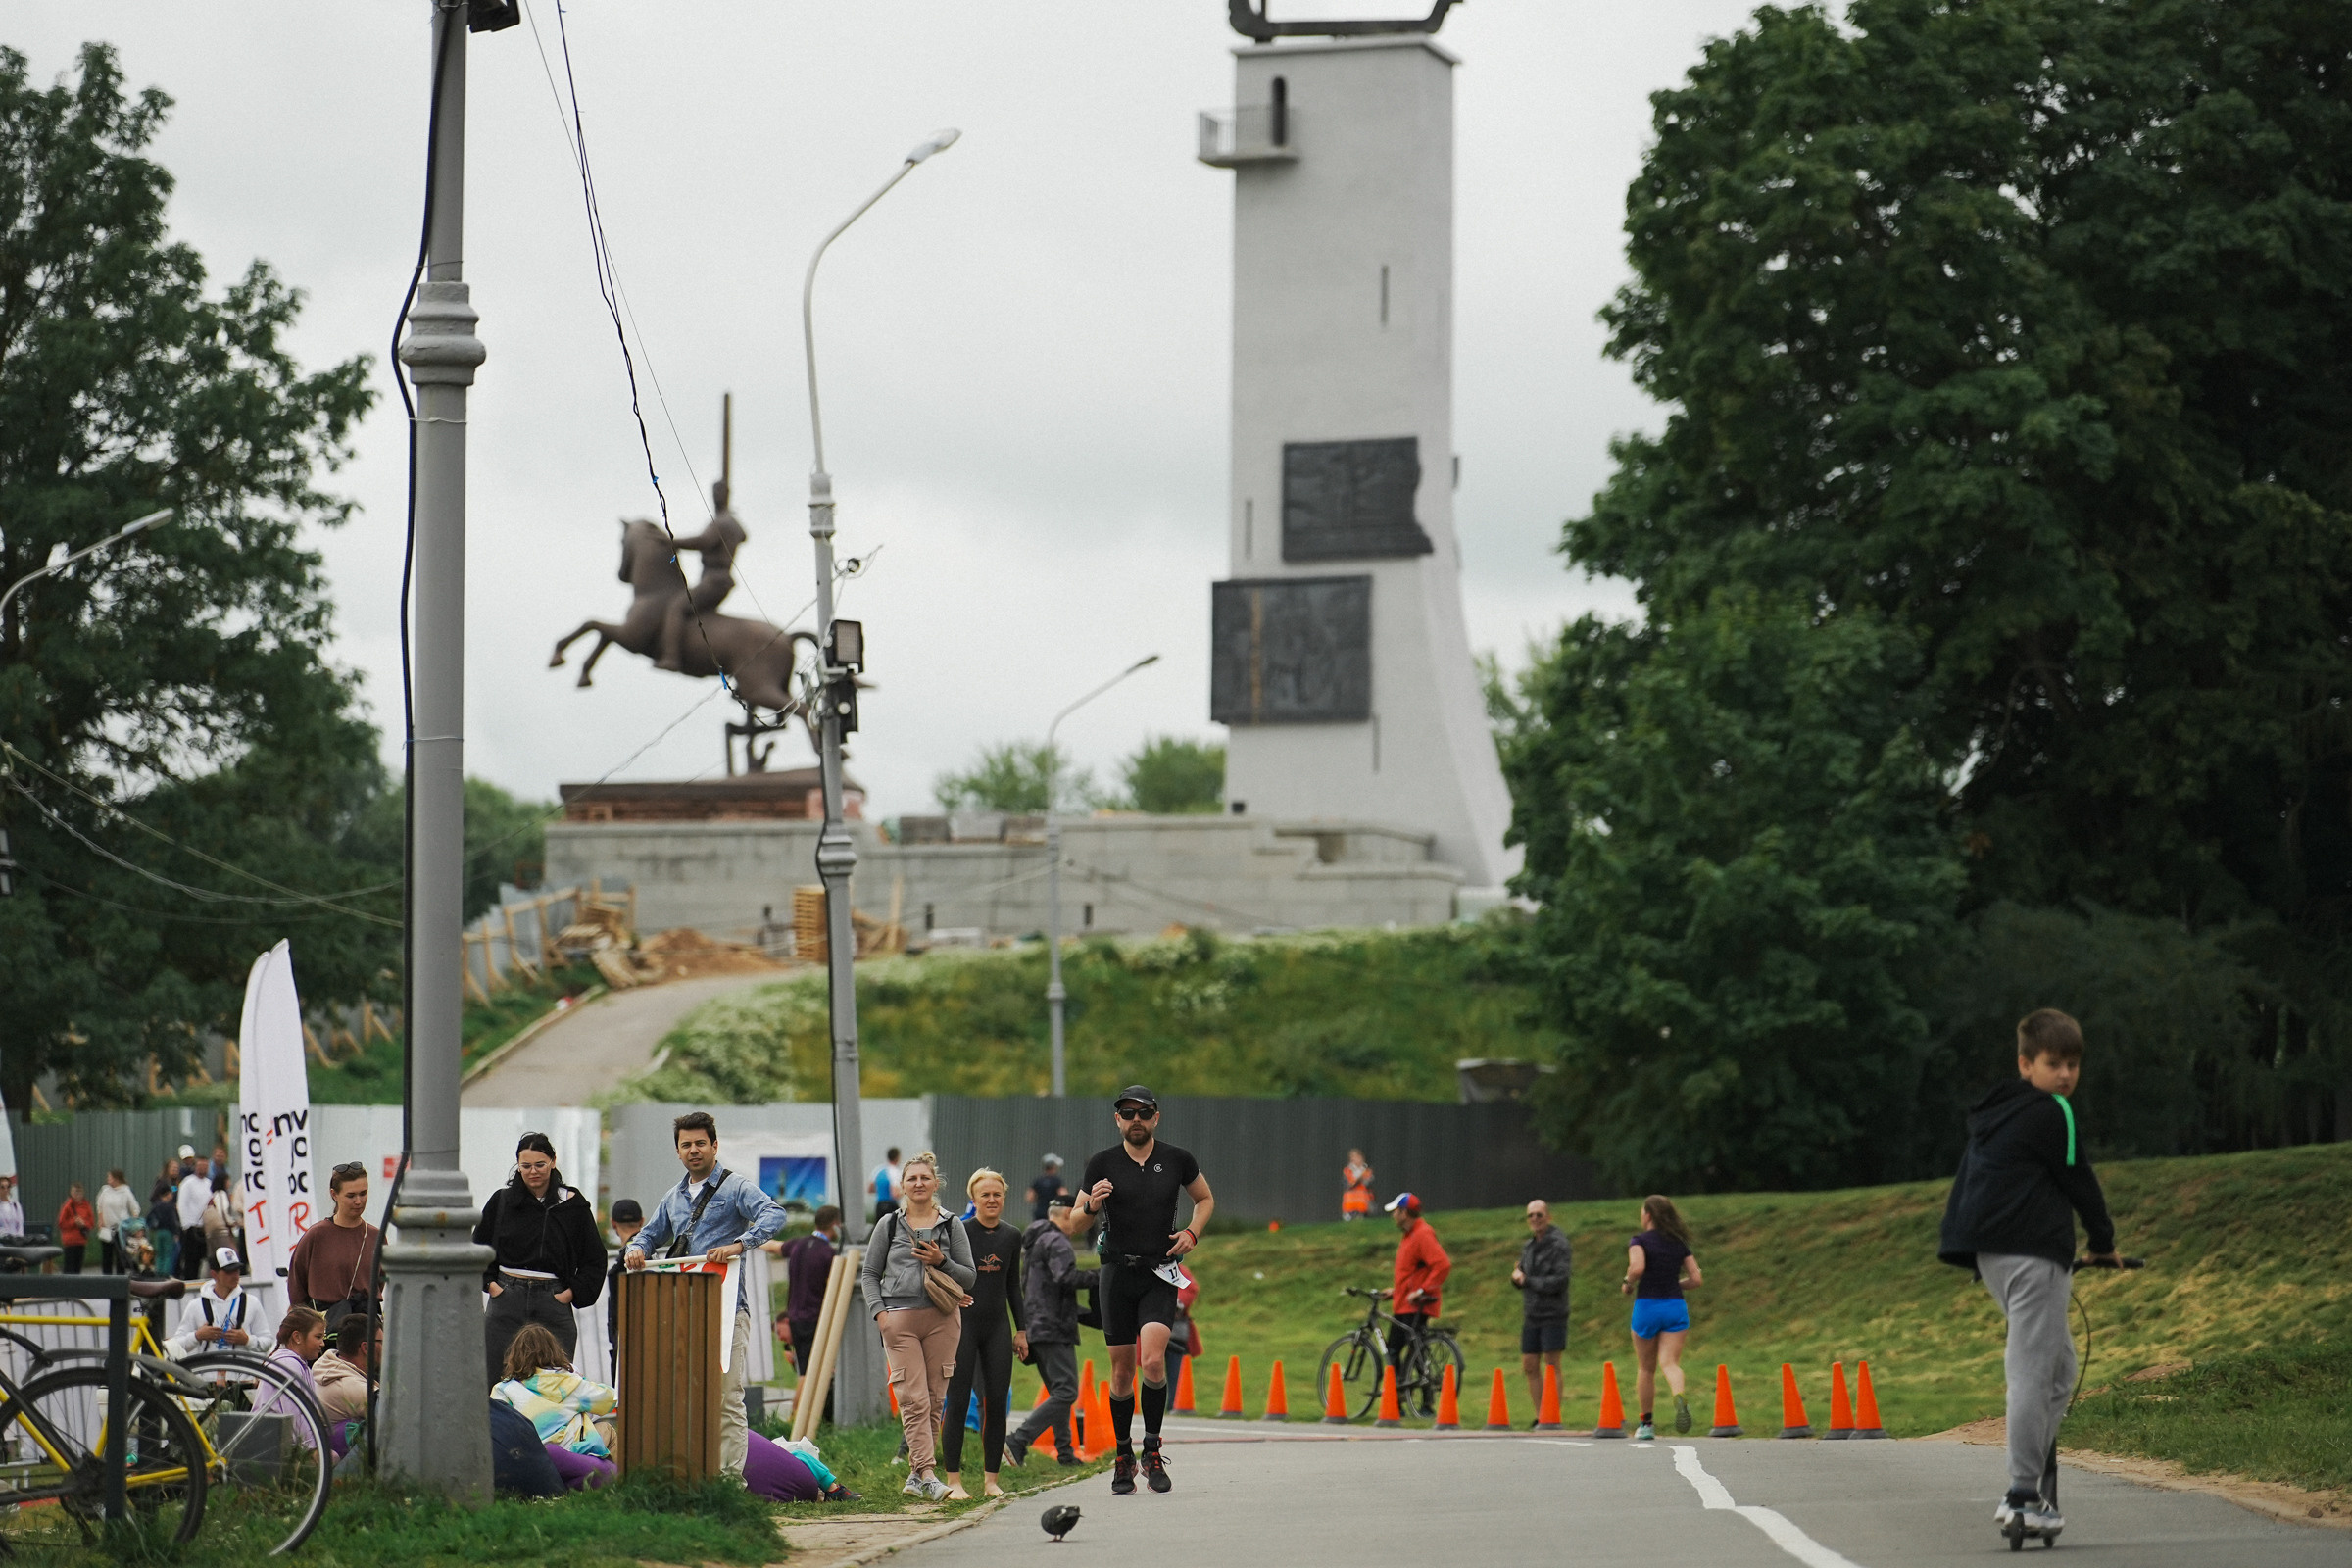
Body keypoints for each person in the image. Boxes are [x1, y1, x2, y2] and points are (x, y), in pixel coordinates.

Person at [1939, 1007, 2119, 1542]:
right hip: (2032, 1255)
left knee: (2059, 1370)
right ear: (2026, 1064)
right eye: (2052, 1063)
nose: (2064, 1075)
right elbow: (2078, 1179)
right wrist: (2103, 1242)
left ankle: (2029, 1487)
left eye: (2072, 1065)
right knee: (2032, 1373)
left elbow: (1981, 1182)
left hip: (1989, 1253)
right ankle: (2022, 1492)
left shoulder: (1998, 1114)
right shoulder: (2052, 1112)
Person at [624, 1110, 788, 1479]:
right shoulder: (672, 1196)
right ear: (677, 1152)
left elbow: (774, 1215)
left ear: (715, 1145)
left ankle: (729, 1482)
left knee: (727, 1397)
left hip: (727, 1310)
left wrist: (740, 1244)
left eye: (701, 1143)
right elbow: (649, 1235)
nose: (694, 1150)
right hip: (681, 1309)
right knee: (682, 1396)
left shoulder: (735, 1187)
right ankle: (688, 1475)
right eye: (686, 1145)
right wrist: (636, 1248)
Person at [1075, 1085, 1215, 1496]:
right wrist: (1091, 1206)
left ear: (1156, 1117)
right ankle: (1123, 1455)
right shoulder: (1102, 1163)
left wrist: (1192, 1232)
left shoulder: (1177, 1159)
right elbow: (1073, 1223)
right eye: (1128, 1113)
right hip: (1116, 1274)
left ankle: (1152, 1448)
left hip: (1159, 1272)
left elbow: (1205, 1199)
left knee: (1152, 1362)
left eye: (1144, 1112)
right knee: (1121, 1371)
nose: (1136, 1119)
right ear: (1117, 1120)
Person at [858, 1152, 975, 1502]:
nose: (919, 1184)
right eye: (912, 1179)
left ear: (935, 1184)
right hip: (899, 1320)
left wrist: (942, 1261)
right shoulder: (889, 1225)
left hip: (942, 1319)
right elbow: (869, 1274)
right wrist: (881, 1315)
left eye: (925, 1178)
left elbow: (969, 1277)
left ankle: (915, 1475)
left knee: (935, 1400)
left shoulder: (952, 1224)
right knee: (913, 1398)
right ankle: (928, 1472)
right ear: (902, 1186)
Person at [474, 1132, 607, 1385]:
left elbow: (595, 1257)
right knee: (495, 1381)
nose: (533, 1172)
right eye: (526, 1166)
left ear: (553, 1162)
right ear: (518, 1166)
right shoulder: (502, 1200)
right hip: (506, 1298)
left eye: (540, 1165)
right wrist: (491, 1284)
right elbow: (478, 1247)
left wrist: (571, 1293)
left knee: (554, 1384)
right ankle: (499, 1426)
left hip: (553, 1301)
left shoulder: (573, 1205)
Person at [943, 1169, 1026, 1500]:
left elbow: (1013, 1286)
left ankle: (991, 1480)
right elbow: (942, 1273)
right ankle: (953, 1480)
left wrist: (1022, 1329)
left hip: (997, 1328)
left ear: (1003, 1197)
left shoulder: (1011, 1235)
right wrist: (953, 1296)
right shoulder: (959, 1231)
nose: (991, 1200)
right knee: (959, 1401)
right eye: (985, 1195)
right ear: (973, 1199)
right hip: (963, 1326)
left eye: (997, 1194)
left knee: (995, 1403)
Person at [1005, 1198, 1095, 1470]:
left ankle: (1066, 1454)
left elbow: (1044, 1292)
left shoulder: (1034, 1242)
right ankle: (1018, 1440)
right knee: (1067, 1392)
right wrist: (1102, 1277)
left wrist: (1086, 1316)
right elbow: (1066, 1278)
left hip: (1037, 1326)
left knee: (1059, 1392)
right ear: (1069, 1214)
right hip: (1054, 1329)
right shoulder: (1056, 1241)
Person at [493, 1321, 618, 1492]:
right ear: (555, 1351)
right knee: (607, 1430)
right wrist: (578, 1378)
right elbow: (611, 1398)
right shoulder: (567, 1382)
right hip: (564, 1454)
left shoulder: (503, 1389)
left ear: (514, 1356)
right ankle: (621, 1483)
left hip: (526, 1461)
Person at [1622, 1195, 1702, 1441]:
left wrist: (1627, 1283)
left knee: (1646, 1368)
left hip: (1647, 1306)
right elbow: (1696, 1279)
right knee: (1670, 1363)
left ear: (1648, 1215)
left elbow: (1637, 1268)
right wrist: (1676, 1284)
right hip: (1674, 1306)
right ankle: (1679, 1396)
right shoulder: (1678, 1243)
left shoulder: (1639, 1241)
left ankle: (1646, 1425)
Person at [1381, 1193, 1450, 1411]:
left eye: (1396, 1212)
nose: (1393, 1216)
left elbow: (1442, 1265)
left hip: (1415, 1306)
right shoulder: (1410, 1235)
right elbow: (1413, 1272)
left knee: (1406, 1352)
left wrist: (1421, 1290)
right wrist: (1397, 1291)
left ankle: (1416, 1403)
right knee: (1405, 1351)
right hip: (1404, 1303)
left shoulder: (1422, 1234)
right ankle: (1404, 1400)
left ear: (1405, 1213)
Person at [287, 1162, 380, 1320]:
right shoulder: (316, 1235)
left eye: (363, 1193)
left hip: (367, 1324)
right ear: (334, 1194)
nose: (358, 1201)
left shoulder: (375, 1236)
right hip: (326, 1327)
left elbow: (380, 1281)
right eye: (350, 1195)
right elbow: (297, 1286)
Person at [1512, 1199, 1572, 1423]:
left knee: (1552, 1362)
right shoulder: (1528, 1246)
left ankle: (1552, 1414)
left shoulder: (1559, 1245)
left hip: (1553, 1311)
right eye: (1531, 1216)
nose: (1535, 1219)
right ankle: (1540, 1415)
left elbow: (1560, 1280)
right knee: (1529, 1363)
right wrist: (1517, 1279)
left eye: (1539, 1215)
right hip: (1532, 1312)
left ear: (1548, 1217)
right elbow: (1522, 1273)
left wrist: (1527, 1281)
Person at [169, 1246, 276, 1357]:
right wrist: (197, 1336)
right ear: (214, 1274)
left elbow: (268, 1341)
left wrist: (247, 1340)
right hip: (205, 1373)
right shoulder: (196, 1305)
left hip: (242, 1372)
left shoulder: (252, 1302)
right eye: (229, 1271)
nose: (235, 1275)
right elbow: (177, 1345)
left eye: (237, 1270)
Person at [259, 1307, 334, 1455]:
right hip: (275, 1449)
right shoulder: (288, 1365)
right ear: (297, 1337)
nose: (323, 1343)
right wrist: (310, 1451)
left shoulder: (300, 1365)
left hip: (284, 1444)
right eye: (318, 1337)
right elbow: (294, 1416)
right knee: (334, 1457)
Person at [779, 1205, 842, 1382]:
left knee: (804, 1371)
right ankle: (798, 1410)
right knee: (808, 1376)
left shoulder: (797, 1244)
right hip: (814, 1318)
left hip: (794, 1317)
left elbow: (775, 1247)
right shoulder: (829, 1253)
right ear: (835, 1224)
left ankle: (801, 1409)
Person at [314, 1311, 377, 1428]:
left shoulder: (330, 1366)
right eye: (382, 1342)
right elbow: (396, 1418)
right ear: (366, 1347)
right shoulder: (354, 1387)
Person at [603, 1198, 643, 1377]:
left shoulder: (626, 1259)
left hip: (630, 1338)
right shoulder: (649, 1252)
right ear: (642, 1222)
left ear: (613, 1223)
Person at [173, 1151, 213, 1281]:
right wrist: (186, 1225)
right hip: (191, 1227)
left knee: (205, 1259)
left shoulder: (208, 1184)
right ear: (196, 1167)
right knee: (191, 1261)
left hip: (205, 1228)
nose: (203, 1169)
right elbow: (182, 1204)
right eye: (200, 1166)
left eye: (205, 1166)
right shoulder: (188, 1183)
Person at [95, 1169, 140, 1274]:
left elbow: (135, 1208)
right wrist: (100, 1219)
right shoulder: (105, 1190)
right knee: (106, 1256)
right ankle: (106, 1279)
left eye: (109, 1177)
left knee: (120, 1256)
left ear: (116, 1179)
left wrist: (133, 1222)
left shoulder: (126, 1191)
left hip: (120, 1228)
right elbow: (99, 1205)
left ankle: (120, 1279)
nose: (107, 1180)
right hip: (107, 1228)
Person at [55, 1182, 93, 1274]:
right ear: (71, 1193)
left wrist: (84, 1223)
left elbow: (91, 1223)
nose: (77, 1195)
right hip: (70, 1242)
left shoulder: (86, 1205)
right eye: (75, 1192)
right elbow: (61, 1223)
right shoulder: (67, 1206)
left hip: (81, 1241)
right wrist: (73, 1222)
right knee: (69, 1268)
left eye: (79, 1192)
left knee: (78, 1268)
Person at [1027, 1155, 1066, 1222]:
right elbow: (1064, 1195)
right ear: (1053, 1167)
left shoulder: (1038, 1181)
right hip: (1053, 1213)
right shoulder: (1057, 1181)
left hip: (1039, 1213)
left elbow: (1029, 1198)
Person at [1341, 1149, 1375, 1221]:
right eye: (1352, 1157)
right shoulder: (1347, 1171)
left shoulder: (1367, 1170)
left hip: (1364, 1204)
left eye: (1356, 1157)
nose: (1354, 1159)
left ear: (1361, 1158)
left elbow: (1369, 1185)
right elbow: (1348, 1185)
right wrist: (1359, 1178)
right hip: (1350, 1205)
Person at [871, 1148, 903, 1223]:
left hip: (879, 1205)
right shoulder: (895, 1172)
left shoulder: (878, 1170)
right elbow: (894, 1194)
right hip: (890, 1205)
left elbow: (870, 1189)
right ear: (897, 1157)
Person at [0, 1175, 24, 1242]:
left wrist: (19, 1239)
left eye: (8, 1187)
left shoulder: (15, 1205)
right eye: (2, 1187)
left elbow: (20, 1225)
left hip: (14, 1244)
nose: (5, 1190)